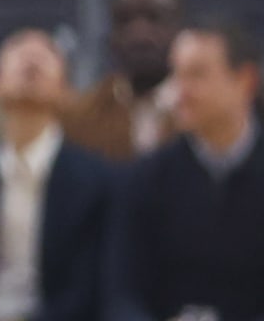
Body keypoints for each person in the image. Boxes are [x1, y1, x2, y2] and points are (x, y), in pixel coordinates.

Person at [0, 29, 110, 321]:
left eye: (46, 53)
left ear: (67, 93)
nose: (32, 55)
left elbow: (87, 293)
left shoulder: (95, 179)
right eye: (18, 50)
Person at [108, 19, 264, 320]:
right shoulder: (145, 178)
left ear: (245, 80)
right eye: (176, 74)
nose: (179, 91)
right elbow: (122, 292)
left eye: (197, 74)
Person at [62, 0, 181, 161]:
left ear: (177, 26)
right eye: (125, 20)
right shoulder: (81, 118)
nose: (140, 34)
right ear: (111, 34)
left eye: (154, 17)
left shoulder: (208, 113)